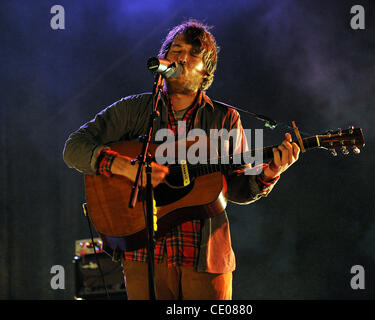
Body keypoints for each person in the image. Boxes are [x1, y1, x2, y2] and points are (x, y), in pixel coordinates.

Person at [63, 20, 300, 300]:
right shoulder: (134, 111)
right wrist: (123, 166)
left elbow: (236, 189)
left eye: (193, 53)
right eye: (175, 49)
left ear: (205, 71)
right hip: (144, 254)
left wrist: (270, 171)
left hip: (205, 256)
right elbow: (74, 148)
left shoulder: (224, 119)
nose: (181, 57)